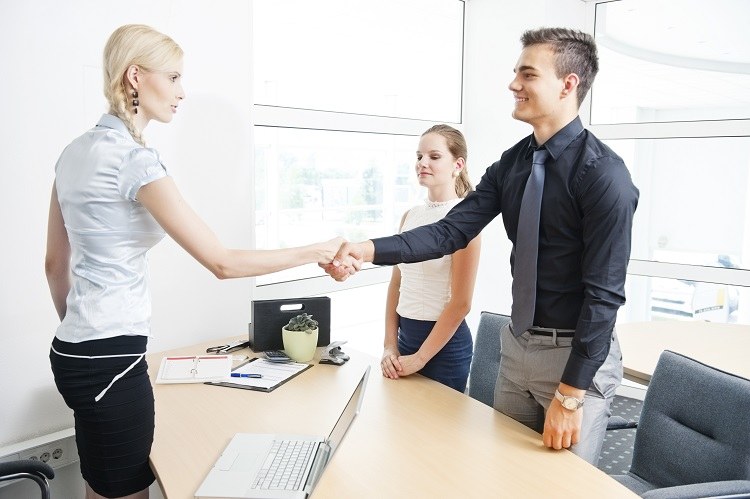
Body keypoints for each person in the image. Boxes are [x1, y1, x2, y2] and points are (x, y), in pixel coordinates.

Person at [44, 24, 341, 499]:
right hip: (113, 356)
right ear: (136, 76)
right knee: (126, 491)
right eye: (175, 77)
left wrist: (84, 332)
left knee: (100, 481)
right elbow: (221, 262)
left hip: (73, 351)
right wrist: (314, 251)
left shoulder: (72, 154)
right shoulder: (135, 161)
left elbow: (54, 266)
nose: (182, 92)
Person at [323, 27, 639, 465]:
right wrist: (366, 249)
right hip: (518, 347)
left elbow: (604, 296)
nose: (513, 85)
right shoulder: (512, 165)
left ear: (568, 84)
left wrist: (571, 394)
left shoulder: (606, 177)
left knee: (562, 488)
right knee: (503, 475)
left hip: (573, 360)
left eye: (527, 75)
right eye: (515, 73)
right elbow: (447, 232)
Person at [382, 125, 481, 392]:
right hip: (406, 340)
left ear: (457, 164)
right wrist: (390, 344)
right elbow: (396, 284)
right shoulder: (410, 216)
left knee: (438, 431)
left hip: (445, 349)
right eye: (419, 156)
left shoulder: (465, 220)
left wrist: (421, 358)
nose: (422, 163)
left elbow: (461, 303)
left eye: (434, 157)